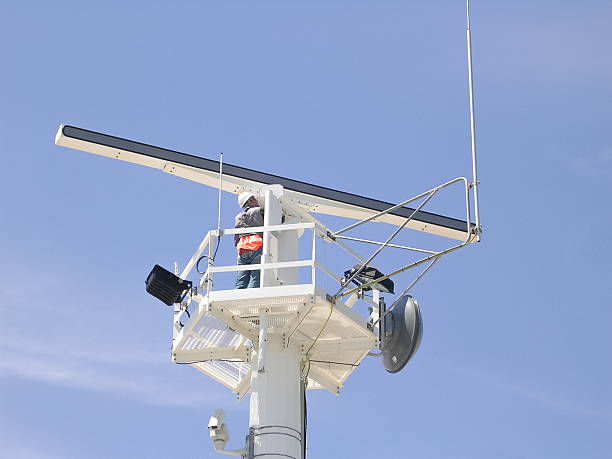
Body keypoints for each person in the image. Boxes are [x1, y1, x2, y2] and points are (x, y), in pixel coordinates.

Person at [234, 192, 264, 289]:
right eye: (254, 199)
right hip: (256, 246)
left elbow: (236, 238)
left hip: (242, 249)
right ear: (250, 201)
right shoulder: (259, 211)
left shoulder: (238, 217)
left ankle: (237, 301)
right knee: (255, 278)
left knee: (241, 281)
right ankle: (250, 302)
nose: (257, 201)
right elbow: (277, 217)